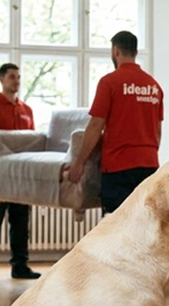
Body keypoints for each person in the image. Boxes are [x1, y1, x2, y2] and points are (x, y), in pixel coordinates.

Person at [67, 31, 163, 214]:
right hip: (149, 167)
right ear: (135, 52)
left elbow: (96, 126)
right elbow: (157, 131)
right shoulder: (154, 86)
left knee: (116, 225)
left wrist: (79, 162)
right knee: (145, 222)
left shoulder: (109, 82)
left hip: (119, 167)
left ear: (115, 50)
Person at [0, 62, 41, 283]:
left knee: (21, 224)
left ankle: (20, 266)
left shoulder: (27, 111)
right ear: (2, 79)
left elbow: (31, 145)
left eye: (18, 77)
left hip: (20, 178)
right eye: (12, 77)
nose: (16, 80)